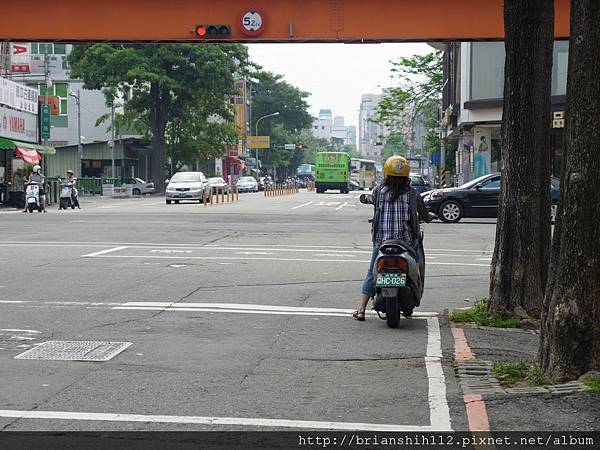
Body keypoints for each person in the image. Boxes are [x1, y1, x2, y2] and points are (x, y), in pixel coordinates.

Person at [353, 155, 435, 321]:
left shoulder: (378, 191)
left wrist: (365, 199)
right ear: (407, 176)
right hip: (406, 242)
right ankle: (415, 296)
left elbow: (368, 199)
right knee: (417, 267)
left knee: (371, 272)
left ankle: (361, 309)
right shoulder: (412, 194)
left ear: (386, 174)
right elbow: (425, 214)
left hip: (381, 242)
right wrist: (430, 216)